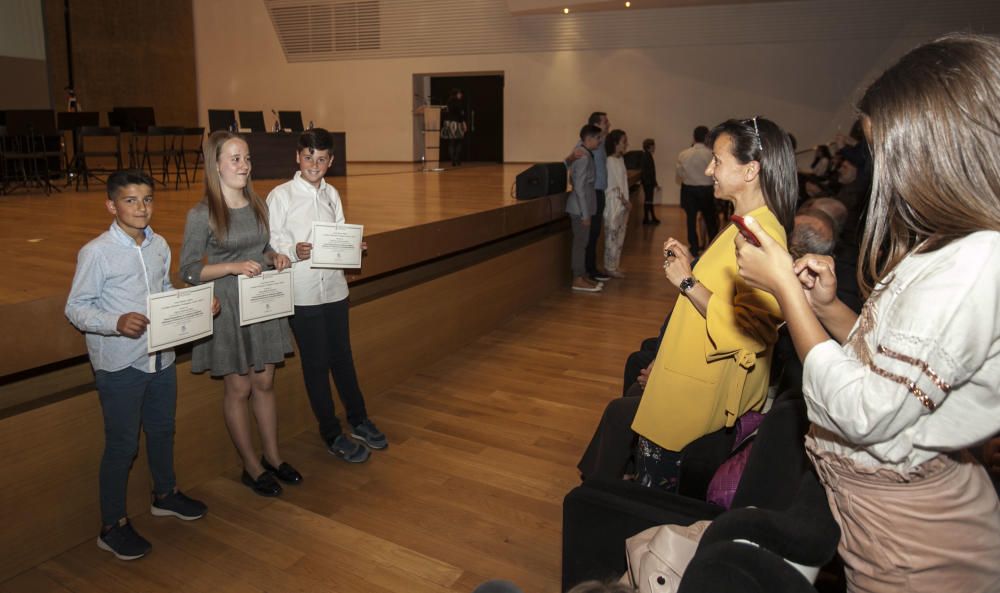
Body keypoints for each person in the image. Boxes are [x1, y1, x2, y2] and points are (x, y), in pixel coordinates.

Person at [733, 34, 1000, 593]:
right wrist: (828, 310)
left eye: (886, 153)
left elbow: (863, 412)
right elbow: (890, 373)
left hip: (916, 534)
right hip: (881, 514)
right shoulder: (949, 244)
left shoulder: (978, 258)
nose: (882, 173)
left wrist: (784, 287)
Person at [629, 116, 797, 490]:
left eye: (718, 161)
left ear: (751, 170)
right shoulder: (746, 224)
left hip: (697, 399)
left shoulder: (760, 236)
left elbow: (752, 333)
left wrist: (688, 281)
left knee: (658, 511)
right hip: (690, 379)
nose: (709, 169)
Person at [66, 170, 214, 560]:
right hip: (121, 366)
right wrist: (114, 323)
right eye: (131, 200)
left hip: (161, 358)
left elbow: (164, 291)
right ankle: (111, 525)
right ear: (112, 206)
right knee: (122, 446)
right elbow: (77, 308)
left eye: (147, 199)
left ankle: (164, 495)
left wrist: (196, 304)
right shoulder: (96, 252)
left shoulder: (159, 244)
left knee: (164, 430)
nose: (141, 207)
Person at [180, 130, 300, 498]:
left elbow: (260, 249)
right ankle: (250, 466)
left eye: (246, 158)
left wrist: (273, 257)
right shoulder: (201, 214)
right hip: (228, 308)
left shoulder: (257, 203)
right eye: (235, 158)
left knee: (265, 383)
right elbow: (186, 270)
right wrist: (231, 268)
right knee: (240, 387)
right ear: (215, 165)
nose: (243, 165)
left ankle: (274, 458)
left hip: (261, 301)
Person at [267, 128, 387, 463]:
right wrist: (293, 249)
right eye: (308, 157)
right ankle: (331, 432)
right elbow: (272, 243)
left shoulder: (332, 194)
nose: (314, 164)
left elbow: (340, 233)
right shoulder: (281, 196)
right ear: (298, 157)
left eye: (321, 159)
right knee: (316, 364)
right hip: (302, 293)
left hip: (334, 289)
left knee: (343, 358)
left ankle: (359, 419)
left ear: (330, 161)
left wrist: (352, 249)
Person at [568, 125, 604, 292]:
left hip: (584, 207)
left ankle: (582, 276)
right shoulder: (583, 157)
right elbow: (580, 187)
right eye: (597, 138)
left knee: (583, 243)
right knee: (580, 244)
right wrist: (585, 214)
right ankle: (577, 278)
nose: (600, 141)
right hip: (580, 209)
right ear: (588, 139)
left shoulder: (585, 154)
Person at [676, 126, 717, 254]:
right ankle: (713, 247)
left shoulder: (683, 154)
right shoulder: (711, 154)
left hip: (689, 190)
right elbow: (716, 173)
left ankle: (694, 247)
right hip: (707, 190)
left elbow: (680, 174)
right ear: (707, 138)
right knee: (710, 220)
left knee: (691, 220)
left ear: (694, 137)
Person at [603, 129, 631, 278]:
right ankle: (609, 267)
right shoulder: (609, 161)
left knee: (620, 235)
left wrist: (626, 202)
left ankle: (615, 265)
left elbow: (624, 183)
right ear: (615, 143)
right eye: (623, 141)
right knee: (612, 236)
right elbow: (614, 184)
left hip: (623, 202)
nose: (626, 144)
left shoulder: (620, 160)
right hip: (614, 203)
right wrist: (625, 201)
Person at [442, 89, 467, 167]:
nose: (461, 95)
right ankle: (457, 159)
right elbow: (461, 114)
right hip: (457, 124)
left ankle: (453, 160)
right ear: (456, 94)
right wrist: (464, 124)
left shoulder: (448, 102)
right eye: (460, 94)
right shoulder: (459, 103)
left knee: (451, 143)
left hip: (449, 123)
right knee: (459, 141)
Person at [639, 139, 660, 225]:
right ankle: (646, 219)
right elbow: (648, 172)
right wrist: (653, 183)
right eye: (653, 145)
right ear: (650, 146)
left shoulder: (647, 155)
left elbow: (651, 172)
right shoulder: (646, 156)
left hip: (648, 182)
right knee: (648, 200)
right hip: (648, 182)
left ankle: (650, 217)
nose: (654, 147)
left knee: (649, 200)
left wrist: (655, 183)